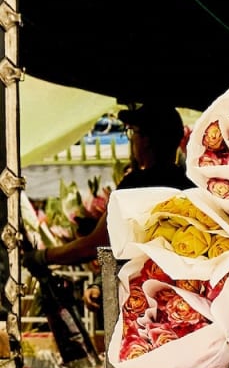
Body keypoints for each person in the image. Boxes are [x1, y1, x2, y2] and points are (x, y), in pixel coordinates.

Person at [38, 104, 188, 266]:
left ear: (146, 140)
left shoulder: (136, 184)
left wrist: (43, 256)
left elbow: (97, 246)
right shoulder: (188, 184)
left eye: (133, 132)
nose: (132, 139)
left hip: (140, 284)